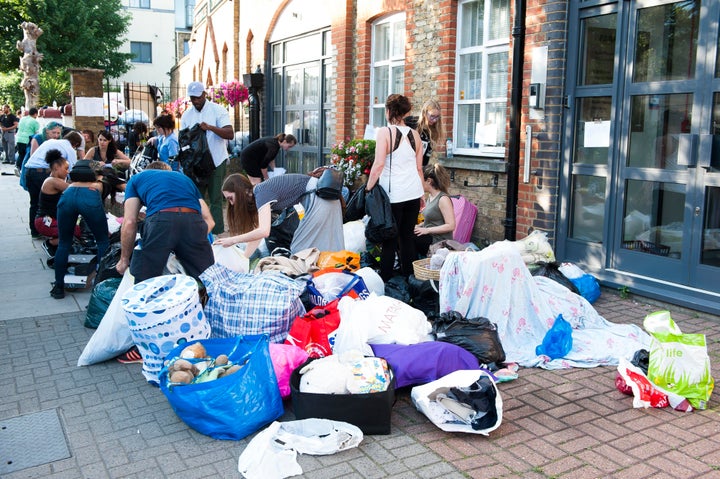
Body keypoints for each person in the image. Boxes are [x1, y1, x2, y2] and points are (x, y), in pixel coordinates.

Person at [116, 161, 215, 284]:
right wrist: (190, 240)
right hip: (193, 221)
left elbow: (130, 222)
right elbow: (209, 221)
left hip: (161, 220)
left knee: (146, 280)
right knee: (207, 278)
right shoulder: (185, 179)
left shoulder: (137, 178)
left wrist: (124, 260)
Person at [214, 172, 344, 258]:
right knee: (318, 247)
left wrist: (232, 240)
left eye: (230, 198)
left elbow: (264, 231)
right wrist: (244, 259)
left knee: (301, 250)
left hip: (320, 198)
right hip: (323, 197)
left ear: (239, 191)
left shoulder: (260, 192)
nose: (231, 204)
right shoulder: (259, 194)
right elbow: (258, 234)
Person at [365, 94, 424, 281]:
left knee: (389, 239)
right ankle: (410, 279)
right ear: (405, 112)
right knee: (407, 237)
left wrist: (368, 188)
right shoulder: (415, 135)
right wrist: (422, 194)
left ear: (389, 111)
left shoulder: (384, 132)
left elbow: (378, 165)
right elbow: (419, 168)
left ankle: (386, 280)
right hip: (413, 192)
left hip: (394, 195)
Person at [180, 81, 234, 235]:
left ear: (204, 94)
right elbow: (183, 141)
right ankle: (196, 230)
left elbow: (229, 133)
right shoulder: (187, 115)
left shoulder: (218, 110)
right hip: (196, 164)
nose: (196, 101)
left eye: (198, 97)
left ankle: (216, 231)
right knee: (196, 197)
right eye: (192, 98)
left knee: (215, 197)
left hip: (216, 160)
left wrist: (210, 127)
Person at [51, 160, 110, 299]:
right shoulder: (97, 184)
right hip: (89, 198)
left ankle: (58, 286)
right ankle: (99, 287)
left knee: (64, 243)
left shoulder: (69, 187)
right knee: (102, 241)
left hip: (68, 198)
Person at [24, 131, 83, 239]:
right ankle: (48, 233)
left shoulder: (52, 142)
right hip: (41, 172)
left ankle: (35, 232)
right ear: (75, 144)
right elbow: (74, 171)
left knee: (35, 203)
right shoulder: (69, 148)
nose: (67, 171)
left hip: (29, 171)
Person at [34, 149, 82, 258]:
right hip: (44, 222)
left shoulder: (56, 180)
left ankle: (55, 243)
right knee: (76, 231)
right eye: (65, 168)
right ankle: (51, 243)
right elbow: (74, 189)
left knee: (77, 229)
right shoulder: (51, 181)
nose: (68, 171)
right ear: (56, 168)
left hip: (51, 220)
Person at [414, 163, 456, 257]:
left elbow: (451, 225)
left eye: (420, 180)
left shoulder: (443, 199)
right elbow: (433, 221)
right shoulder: (430, 196)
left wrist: (427, 230)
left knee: (409, 238)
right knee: (405, 233)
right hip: (430, 236)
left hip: (439, 241)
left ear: (428, 181)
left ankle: (411, 269)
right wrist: (419, 226)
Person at [404, 99, 445, 166]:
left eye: (437, 117)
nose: (434, 120)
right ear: (424, 113)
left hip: (418, 168)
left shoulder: (433, 131)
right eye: (432, 116)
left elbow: (425, 158)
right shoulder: (410, 122)